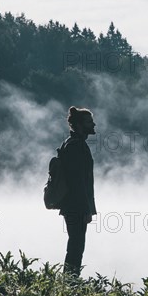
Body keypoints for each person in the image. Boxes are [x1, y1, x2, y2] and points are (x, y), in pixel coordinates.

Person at [58, 106, 97, 277]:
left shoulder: (73, 143)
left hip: (74, 205)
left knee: (76, 244)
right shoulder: (76, 146)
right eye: (89, 122)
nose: (93, 125)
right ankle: (70, 282)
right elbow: (78, 182)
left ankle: (70, 281)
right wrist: (86, 210)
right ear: (80, 125)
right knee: (76, 246)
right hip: (76, 206)